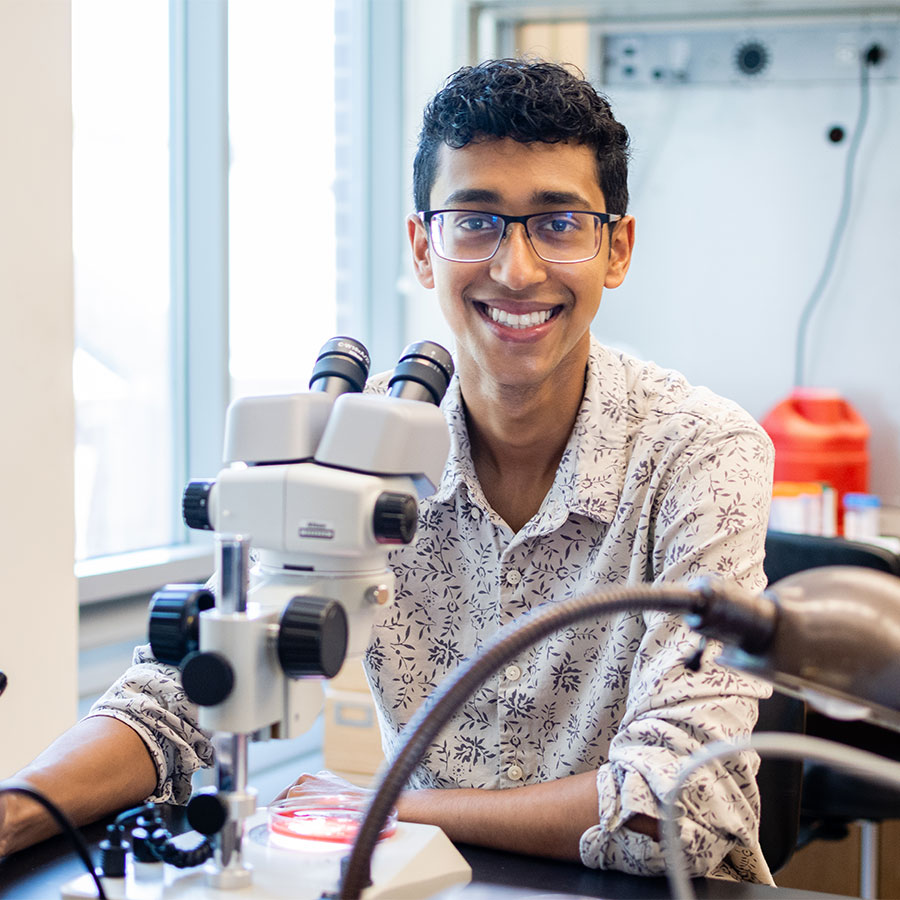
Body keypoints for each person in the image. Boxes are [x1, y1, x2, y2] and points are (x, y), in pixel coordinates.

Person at [0, 58, 775, 883]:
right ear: (422, 247)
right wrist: (17, 809)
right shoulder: (358, 446)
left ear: (615, 248)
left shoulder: (701, 453)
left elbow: (681, 804)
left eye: (558, 223)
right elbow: (177, 699)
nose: (515, 270)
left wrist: (375, 808)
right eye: (474, 221)